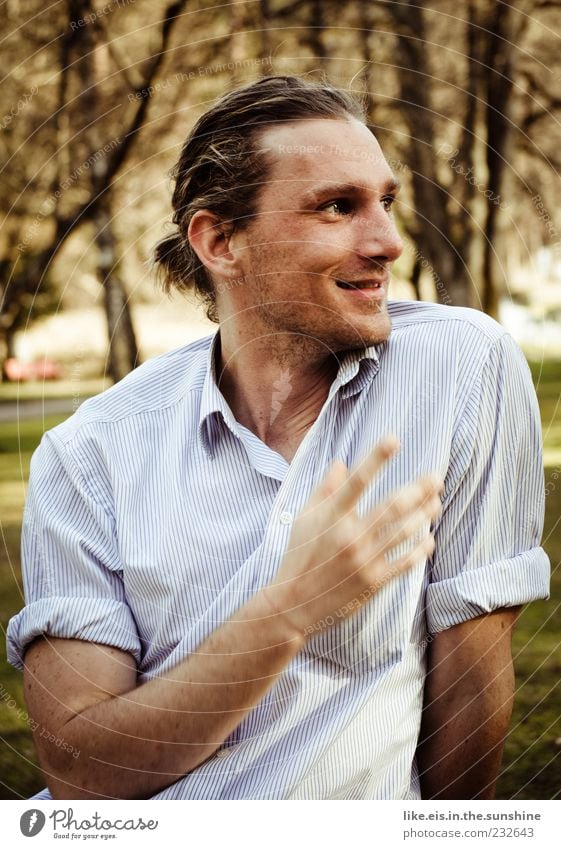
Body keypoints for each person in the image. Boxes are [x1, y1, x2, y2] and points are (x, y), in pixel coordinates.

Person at [8, 75, 549, 801]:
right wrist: (287, 610)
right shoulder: (90, 455)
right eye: (337, 207)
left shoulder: (460, 368)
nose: (386, 241)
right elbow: (81, 773)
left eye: (384, 202)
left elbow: (471, 687)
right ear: (220, 240)